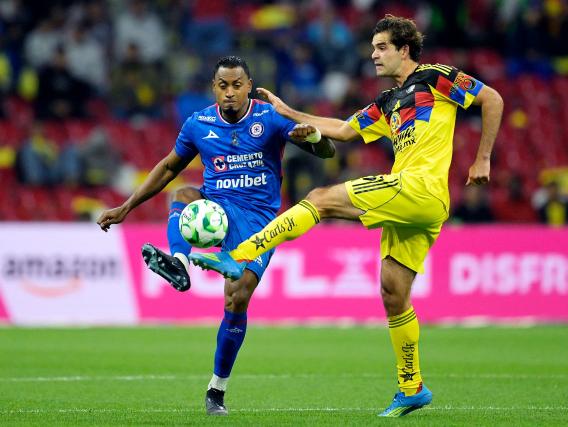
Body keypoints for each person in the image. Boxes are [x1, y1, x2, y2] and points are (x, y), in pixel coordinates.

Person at [190, 15, 504, 418]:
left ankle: (240, 254)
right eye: (372, 47)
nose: (373, 54)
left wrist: (482, 158)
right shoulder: (389, 101)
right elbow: (341, 129)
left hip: (420, 187)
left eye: (381, 47)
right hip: (418, 209)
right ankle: (412, 387)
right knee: (393, 291)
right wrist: (287, 110)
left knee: (320, 198)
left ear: (404, 49)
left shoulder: (435, 77)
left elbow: (491, 98)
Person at [96, 56, 335, 415]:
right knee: (182, 194)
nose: (230, 92)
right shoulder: (199, 123)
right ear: (214, 88)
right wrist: (126, 207)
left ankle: (216, 389)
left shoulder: (269, 117)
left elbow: (327, 150)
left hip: (257, 221)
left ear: (249, 86)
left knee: (236, 299)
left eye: (237, 85)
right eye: (223, 85)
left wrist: (312, 135)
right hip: (215, 208)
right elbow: (166, 168)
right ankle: (177, 262)